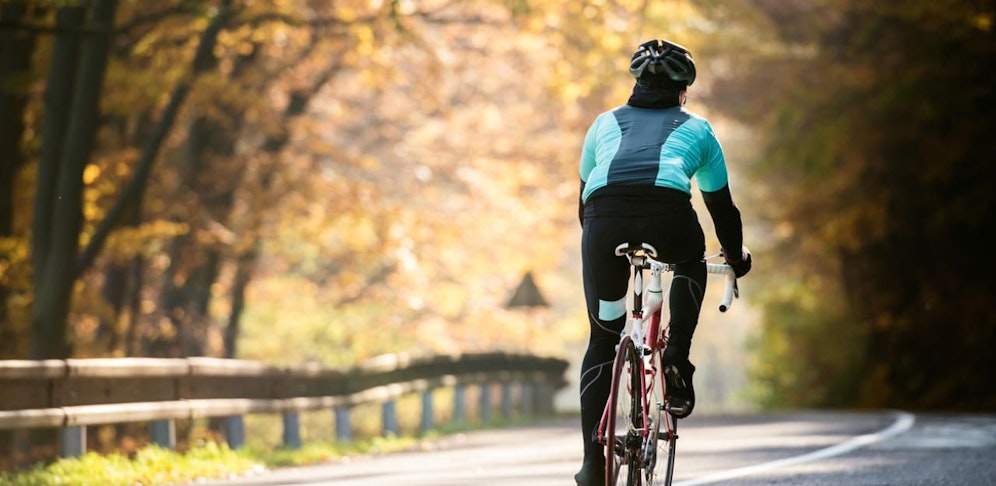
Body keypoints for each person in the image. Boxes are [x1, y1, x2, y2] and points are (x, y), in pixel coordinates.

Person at [574, 39, 752, 485]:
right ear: (683, 92)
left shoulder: (602, 123)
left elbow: (583, 199)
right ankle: (676, 356)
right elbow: (722, 208)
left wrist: (603, 250)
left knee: (602, 337)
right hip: (667, 215)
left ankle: (593, 466)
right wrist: (735, 257)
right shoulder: (699, 130)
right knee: (690, 259)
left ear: (636, 83)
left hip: (603, 221)